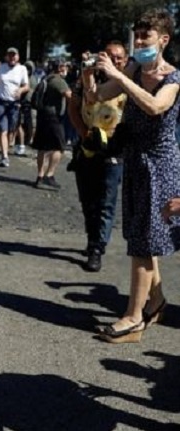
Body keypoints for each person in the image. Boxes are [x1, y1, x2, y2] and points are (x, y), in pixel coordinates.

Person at [87, 9, 180, 343]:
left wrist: (122, 75)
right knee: (141, 237)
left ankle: (133, 319)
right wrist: (91, 77)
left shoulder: (174, 77)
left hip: (161, 166)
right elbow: (100, 96)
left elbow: (155, 106)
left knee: (143, 242)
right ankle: (155, 302)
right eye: (137, 36)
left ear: (163, 40)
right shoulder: (134, 69)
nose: (139, 42)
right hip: (136, 162)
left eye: (146, 37)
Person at [67, 41, 128, 272]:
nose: (114, 61)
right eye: (110, 56)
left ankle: (97, 248)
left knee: (105, 201)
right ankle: (92, 237)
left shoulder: (128, 82)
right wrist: (83, 133)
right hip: (87, 147)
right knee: (88, 200)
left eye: (119, 58)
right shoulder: (88, 79)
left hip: (114, 150)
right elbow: (73, 106)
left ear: (125, 60)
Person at [32, 61, 72, 189]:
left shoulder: (46, 78)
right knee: (59, 146)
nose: (66, 69)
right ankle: (49, 175)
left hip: (42, 114)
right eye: (65, 67)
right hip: (54, 117)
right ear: (60, 69)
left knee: (42, 147)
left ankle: (40, 176)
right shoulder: (58, 80)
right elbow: (69, 95)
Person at [0, 47, 30, 167]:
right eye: (10, 55)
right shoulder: (1, 68)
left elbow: (27, 86)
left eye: (14, 55)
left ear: (18, 57)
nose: (12, 57)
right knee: (2, 129)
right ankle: (4, 157)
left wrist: (21, 90)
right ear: (7, 57)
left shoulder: (22, 69)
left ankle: (9, 147)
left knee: (11, 129)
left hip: (14, 104)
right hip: (0, 102)